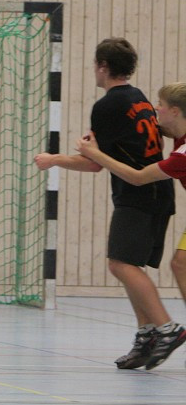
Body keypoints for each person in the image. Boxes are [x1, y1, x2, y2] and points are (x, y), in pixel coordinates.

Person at [35, 38, 179, 370]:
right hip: (157, 192)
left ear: (102, 66)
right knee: (129, 265)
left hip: (139, 194)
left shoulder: (108, 106)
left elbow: (94, 162)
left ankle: (167, 328)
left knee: (120, 264)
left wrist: (54, 158)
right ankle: (147, 336)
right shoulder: (139, 97)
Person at [75, 80, 186, 369]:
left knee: (129, 264)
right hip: (159, 201)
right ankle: (152, 332)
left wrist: (94, 152)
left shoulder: (183, 154)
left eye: (160, 107)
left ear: (175, 111)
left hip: (144, 195)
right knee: (178, 264)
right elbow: (153, 127)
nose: (155, 110)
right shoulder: (177, 132)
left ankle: (167, 329)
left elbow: (137, 177)